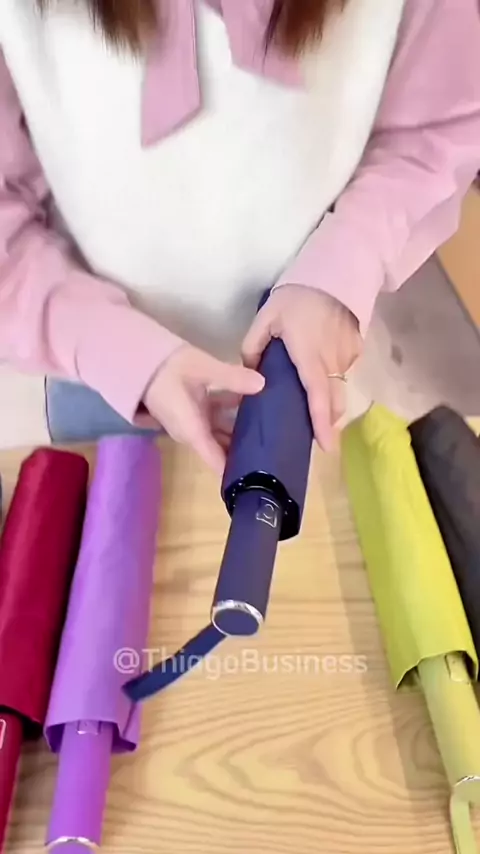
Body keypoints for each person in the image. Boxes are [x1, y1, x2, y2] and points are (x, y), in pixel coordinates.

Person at [0, 0, 479, 472]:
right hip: (97, 371)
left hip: (307, 364)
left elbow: (432, 135)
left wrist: (346, 265)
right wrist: (114, 349)